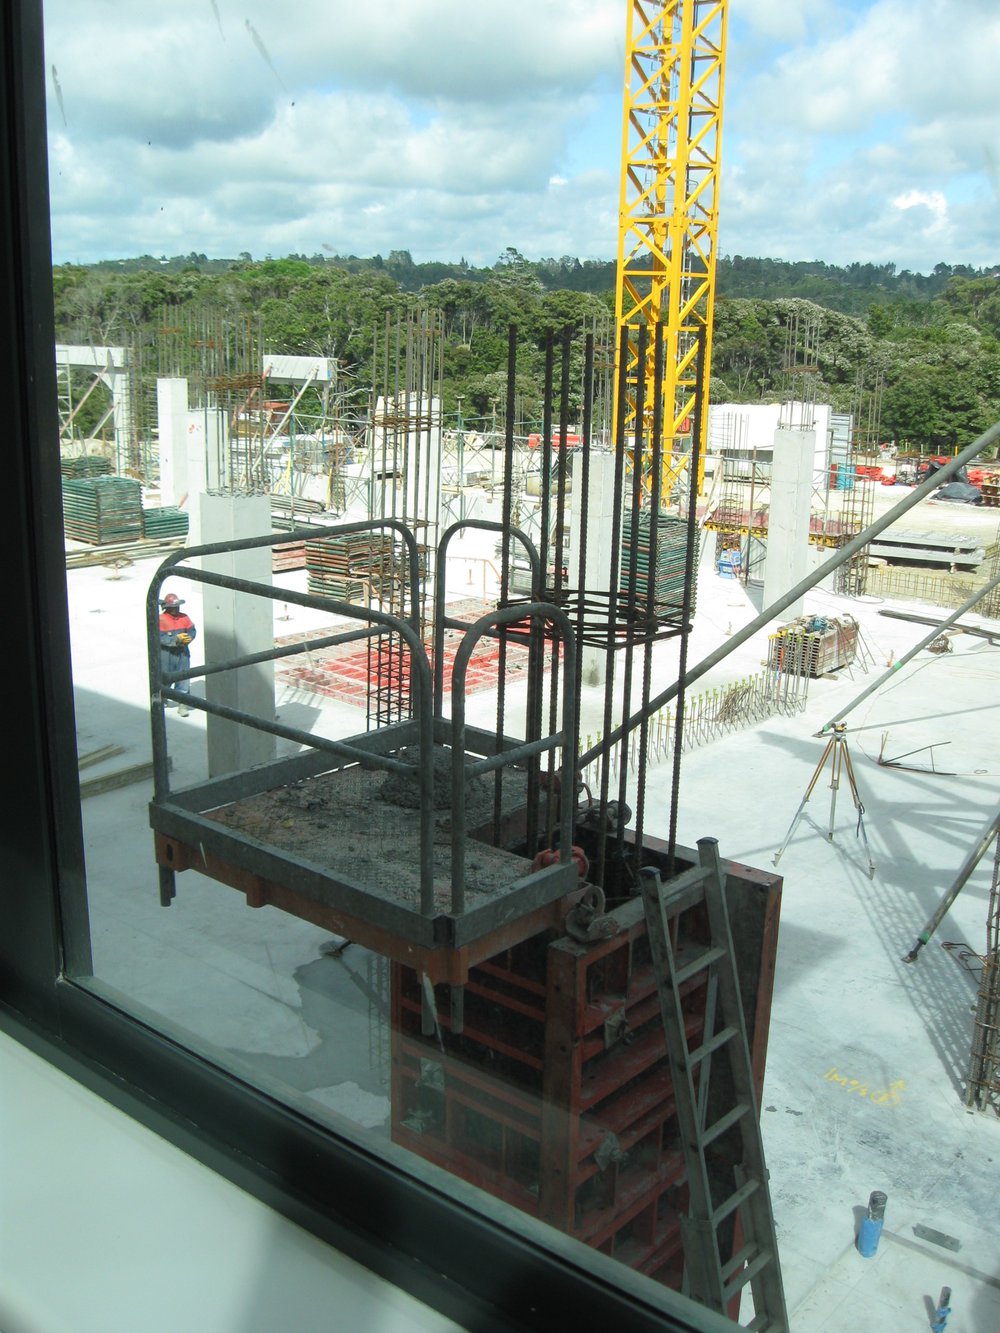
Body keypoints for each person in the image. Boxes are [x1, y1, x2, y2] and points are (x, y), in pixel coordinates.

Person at [158, 591, 196, 716]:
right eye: (174, 607)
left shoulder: (184, 618)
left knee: (183, 678)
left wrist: (189, 637)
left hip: (182, 653)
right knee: (165, 676)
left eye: (177, 606)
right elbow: (159, 637)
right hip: (166, 654)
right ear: (168, 608)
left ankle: (182, 704)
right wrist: (175, 640)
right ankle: (162, 698)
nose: (176, 609)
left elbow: (192, 630)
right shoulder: (161, 619)